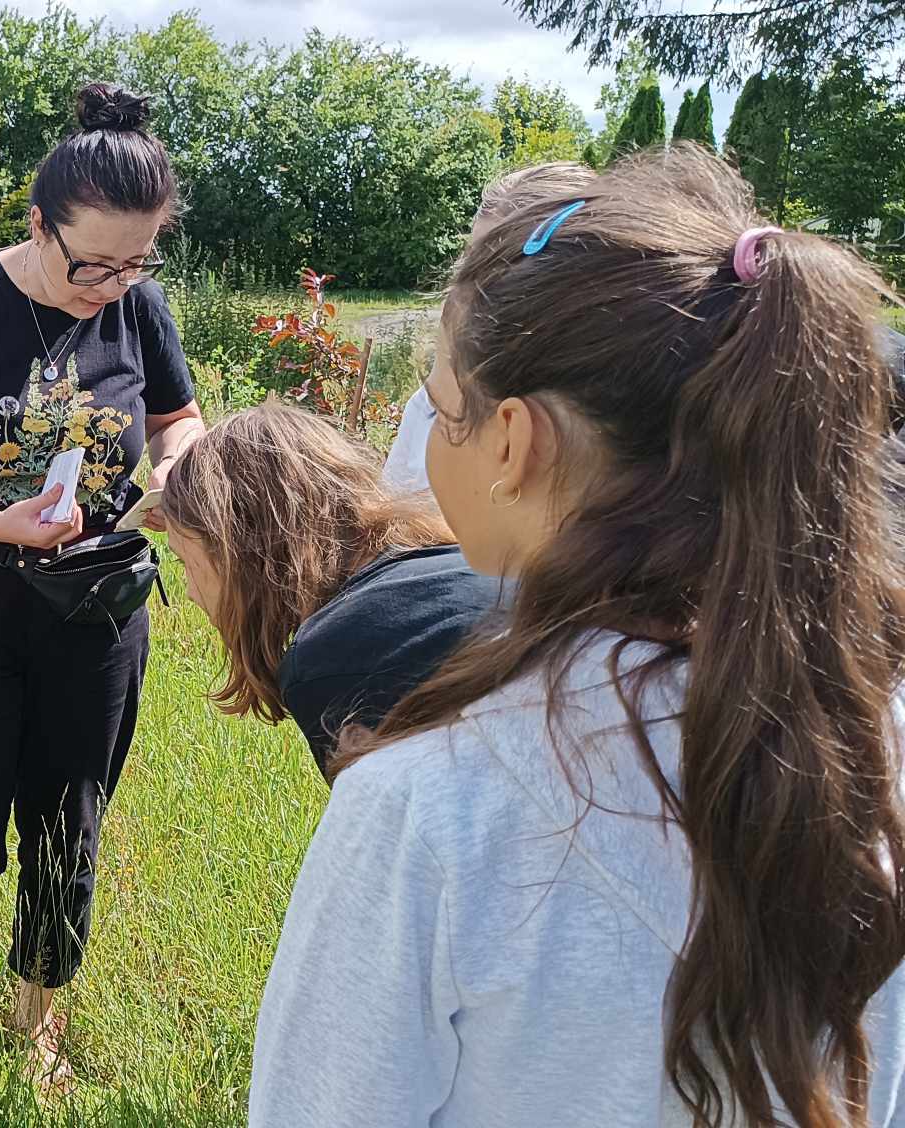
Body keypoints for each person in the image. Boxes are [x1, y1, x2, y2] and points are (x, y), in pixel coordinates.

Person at [249, 148, 905, 1126]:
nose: (424, 438)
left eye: (438, 405)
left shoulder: (428, 815)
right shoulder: (872, 745)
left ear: (513, 442)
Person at [0, 81, 203, 1090]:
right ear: (34, 226)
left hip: (95, 611)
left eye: (135, 262)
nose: (111, 284)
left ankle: (35, 1029)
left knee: (70, 816)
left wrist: (178, 474)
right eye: (89, 262)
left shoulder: (138, 307)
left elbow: (176, 421)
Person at [162, 404, 498, 777]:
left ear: (240, 552)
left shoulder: (333, 661)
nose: (190, 593)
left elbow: (393, 829)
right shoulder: (453, 556)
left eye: (185, 563)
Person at [383, 162, 596, 494]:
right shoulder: (432, 402)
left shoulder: (590, 436)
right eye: (469, 266)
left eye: (496, 275)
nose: (464, 296)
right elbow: (393, 505)